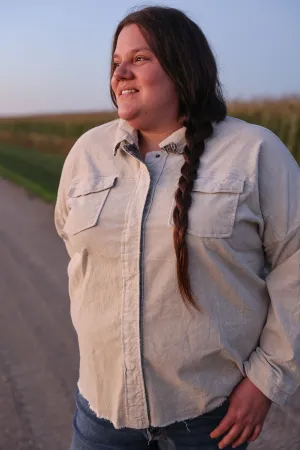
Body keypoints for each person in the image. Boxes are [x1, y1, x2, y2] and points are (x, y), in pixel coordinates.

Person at [54, 5, 300, 450]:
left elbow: (295, 266)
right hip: (100, 419)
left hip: (208, 424)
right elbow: (70, 238)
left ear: (184, 67)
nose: (120, 72)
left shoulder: (254, 152)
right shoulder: (86, 153)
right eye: (115, 62)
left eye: (140, 58)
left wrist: (266, 381)